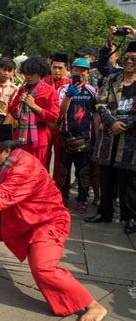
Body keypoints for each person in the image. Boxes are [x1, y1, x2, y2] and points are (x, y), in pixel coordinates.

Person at [0, 124, 108, 321]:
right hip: (25, 214)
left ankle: (93, 304)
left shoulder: (24, 167)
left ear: (6, 150)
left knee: (44, 269)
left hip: (47, 222)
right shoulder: (10, 161)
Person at [85, 41, 136, 234]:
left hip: (130, 137)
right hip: (108, 134)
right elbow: (100, 103)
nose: (129, 61)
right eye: (127, 58)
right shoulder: (112, 78)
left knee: (128, 181)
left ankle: (129, 216)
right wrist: (112, 122)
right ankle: (104, 211)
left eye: (134, 59)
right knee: (106, 176)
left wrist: (125, 125)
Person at [57, 58, 97, 212]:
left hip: (85, 139)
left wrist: (95, 138)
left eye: (83, 70)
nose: (79, 73)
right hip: (66, 138)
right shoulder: (63, 89)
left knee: (83, 173)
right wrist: (69, 95)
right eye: (76, 69)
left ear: (88, 72)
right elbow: (59, 113)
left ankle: (82, 199)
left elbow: (95, 113)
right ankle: (63, 197)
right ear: (71, 70)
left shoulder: (92, 90)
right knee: (64, 172)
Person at [5, 56, 60, 169]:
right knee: (20, 171)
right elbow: (13, 112)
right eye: (26, 73)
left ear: (40, 73)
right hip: (21, 137)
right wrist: (19, 104)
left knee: (38, 171)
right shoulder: (22, 89)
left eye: (32, 74)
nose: (28, 77)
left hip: (40, 138)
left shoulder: (49, 91)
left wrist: (34, 106)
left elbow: (54, 117)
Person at [43, 53, 72, 182]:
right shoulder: (43, 83)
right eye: (54, 67)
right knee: (43, 158)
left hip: (62, 127)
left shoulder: (71, 85)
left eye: (60, 68)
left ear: (66, 69)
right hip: (45, 127)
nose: (57, 70)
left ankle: (56, 188)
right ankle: (42, 186)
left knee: (60, 160)